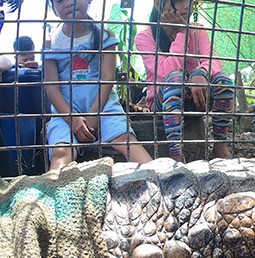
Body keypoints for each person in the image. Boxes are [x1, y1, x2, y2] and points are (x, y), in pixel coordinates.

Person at [43, 0, 152, 171]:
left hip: (104, 106)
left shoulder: (104, 35)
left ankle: (159, 176)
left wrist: (94, 115)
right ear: (53, 9)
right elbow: (51, 87)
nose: (68, 3)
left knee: (127, 141)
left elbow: (108, 78)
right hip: (65, 111)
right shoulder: (52, 41)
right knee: (61, 151)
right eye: (59, 0)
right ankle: (53, 192)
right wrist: (72, 120)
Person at [135, 0, 235, 161]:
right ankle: (176, 155)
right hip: (164, 102)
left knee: (223, 81)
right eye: (180, 0)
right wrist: (182, 33)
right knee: (174, 78)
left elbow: (214, 61)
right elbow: (164, 71)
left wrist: (201, 72)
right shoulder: (145, 37)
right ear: (158, 4)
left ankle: (220, 147)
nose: (187, 5)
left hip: (195, 98)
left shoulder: (198, 31)